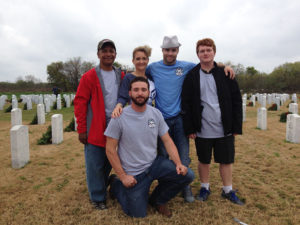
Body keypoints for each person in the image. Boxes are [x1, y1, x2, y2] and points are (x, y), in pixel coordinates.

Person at [146, 35, 235, 202]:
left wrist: (225, 66)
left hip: (180, 118)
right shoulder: (153, 68)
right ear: (162, 50)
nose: (170, 53)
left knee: (183, 156)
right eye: (167, 50)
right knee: (164, 156)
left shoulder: (186, 66)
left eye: (173, 50)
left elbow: (207, 64)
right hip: (161, 119)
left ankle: (184, 186)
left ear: (178, 50)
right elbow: (139, 71)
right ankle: (166, 188)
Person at [105, 77, 194, 218]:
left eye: (143, 90)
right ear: (129, 93)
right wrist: (122, 176)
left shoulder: (155, 113)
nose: (140, 93)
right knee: (137, 214)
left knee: (187, 175)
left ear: (148, 93)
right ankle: (116, 185)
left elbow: (168, 141)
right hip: (133, 173)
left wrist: (178, 163)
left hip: (154, 164)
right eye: (136, 90)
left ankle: (158, 200)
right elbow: (110, 149)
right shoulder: (119, 116)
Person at [181, 38, 244, 205]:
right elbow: (186, 103)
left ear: (214, 52)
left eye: (208, 50)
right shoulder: (192, 76)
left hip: (224, 126)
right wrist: (190, 128)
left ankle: (228, 190)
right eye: (202, 51)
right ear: (197, 54)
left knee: (226, 160)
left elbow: (236, 100)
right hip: (202, 127)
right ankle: (204, 187)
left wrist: (237, 125)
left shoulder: (225, 73)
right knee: (204, 160)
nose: (205, 53)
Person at [74, 39, 122, 210]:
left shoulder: (120, 75)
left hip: (115, 124)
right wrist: (82, 129)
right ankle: (98, 197)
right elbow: (80, 102)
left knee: (110, 160)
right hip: (95, 124)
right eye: (104, 51)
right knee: (95, 163)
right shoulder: (89, 76)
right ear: (98, 54)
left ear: (115, 54)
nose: (108, 54)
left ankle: (104, 184)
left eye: (111, 50)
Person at [111, 45, 156, 118]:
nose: (141, 61)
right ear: (133, 61)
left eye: (144, 58)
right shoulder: (128, 78)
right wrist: (118, 106)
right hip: (133, 117)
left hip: (150, 117)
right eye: (138, 59)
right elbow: (123, 97)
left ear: (148, 60)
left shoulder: (151, 78)